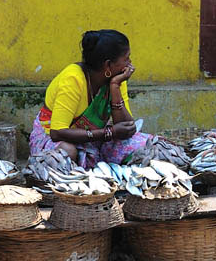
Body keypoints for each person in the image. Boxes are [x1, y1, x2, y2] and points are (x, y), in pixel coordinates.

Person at [29, 29, 154, 167]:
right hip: (56, 139)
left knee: (147, 146)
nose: (130, 64)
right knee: (67, 152)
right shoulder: (73, 79)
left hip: (95, 136)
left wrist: (115, 86)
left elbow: (126, 127)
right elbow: (57, 132)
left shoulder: (117, 78)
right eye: (126, 58)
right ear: (108, 65)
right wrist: (108, 132)